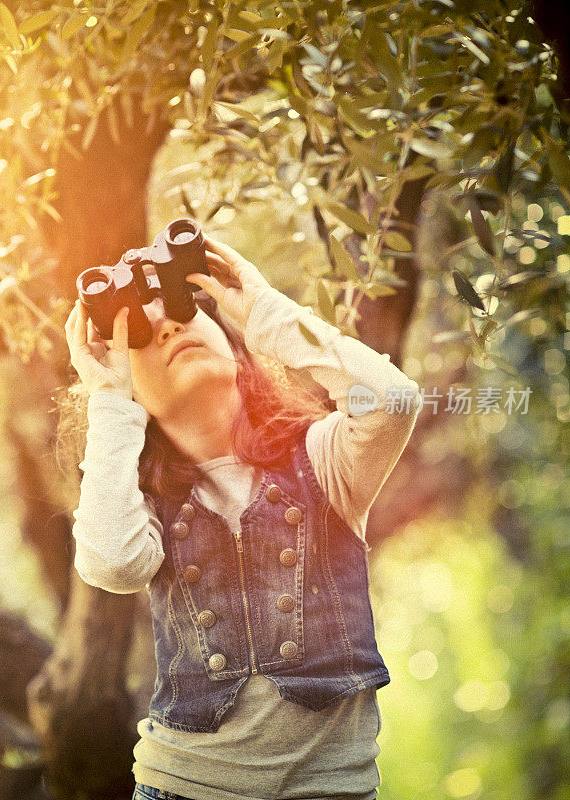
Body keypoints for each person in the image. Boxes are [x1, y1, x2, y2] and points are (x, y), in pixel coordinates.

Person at [62, 232, 422, 800]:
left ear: (231, 340)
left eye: (184, 311)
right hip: (181, 788)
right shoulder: (143, 505)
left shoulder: (324, 463)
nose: (172, 327)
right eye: (144, 336)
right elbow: (112, 564)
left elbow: (392, 399)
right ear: (132, 389)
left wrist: (262, 308)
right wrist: (109, 397)